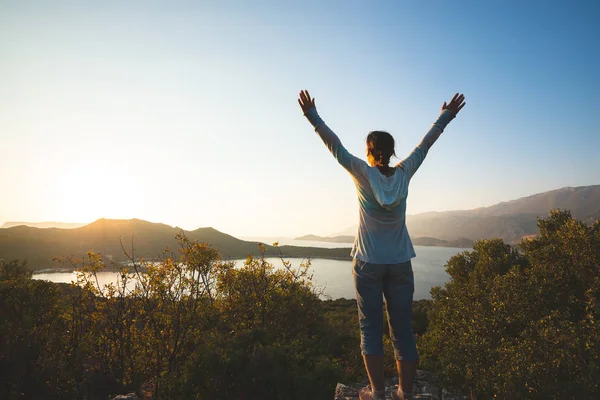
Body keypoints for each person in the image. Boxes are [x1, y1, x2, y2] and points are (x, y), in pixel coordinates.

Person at [298, 90, 466, 400]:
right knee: (402, 330)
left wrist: (312, 116)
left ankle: (376, 393)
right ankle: (404, 392)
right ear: (390, 152)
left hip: (367, 263)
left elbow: (334, 146)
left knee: (370, 329)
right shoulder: (404, 172)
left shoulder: (361, 172)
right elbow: (425, 144)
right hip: (400, 261)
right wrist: (446, 116)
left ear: (371, 151)